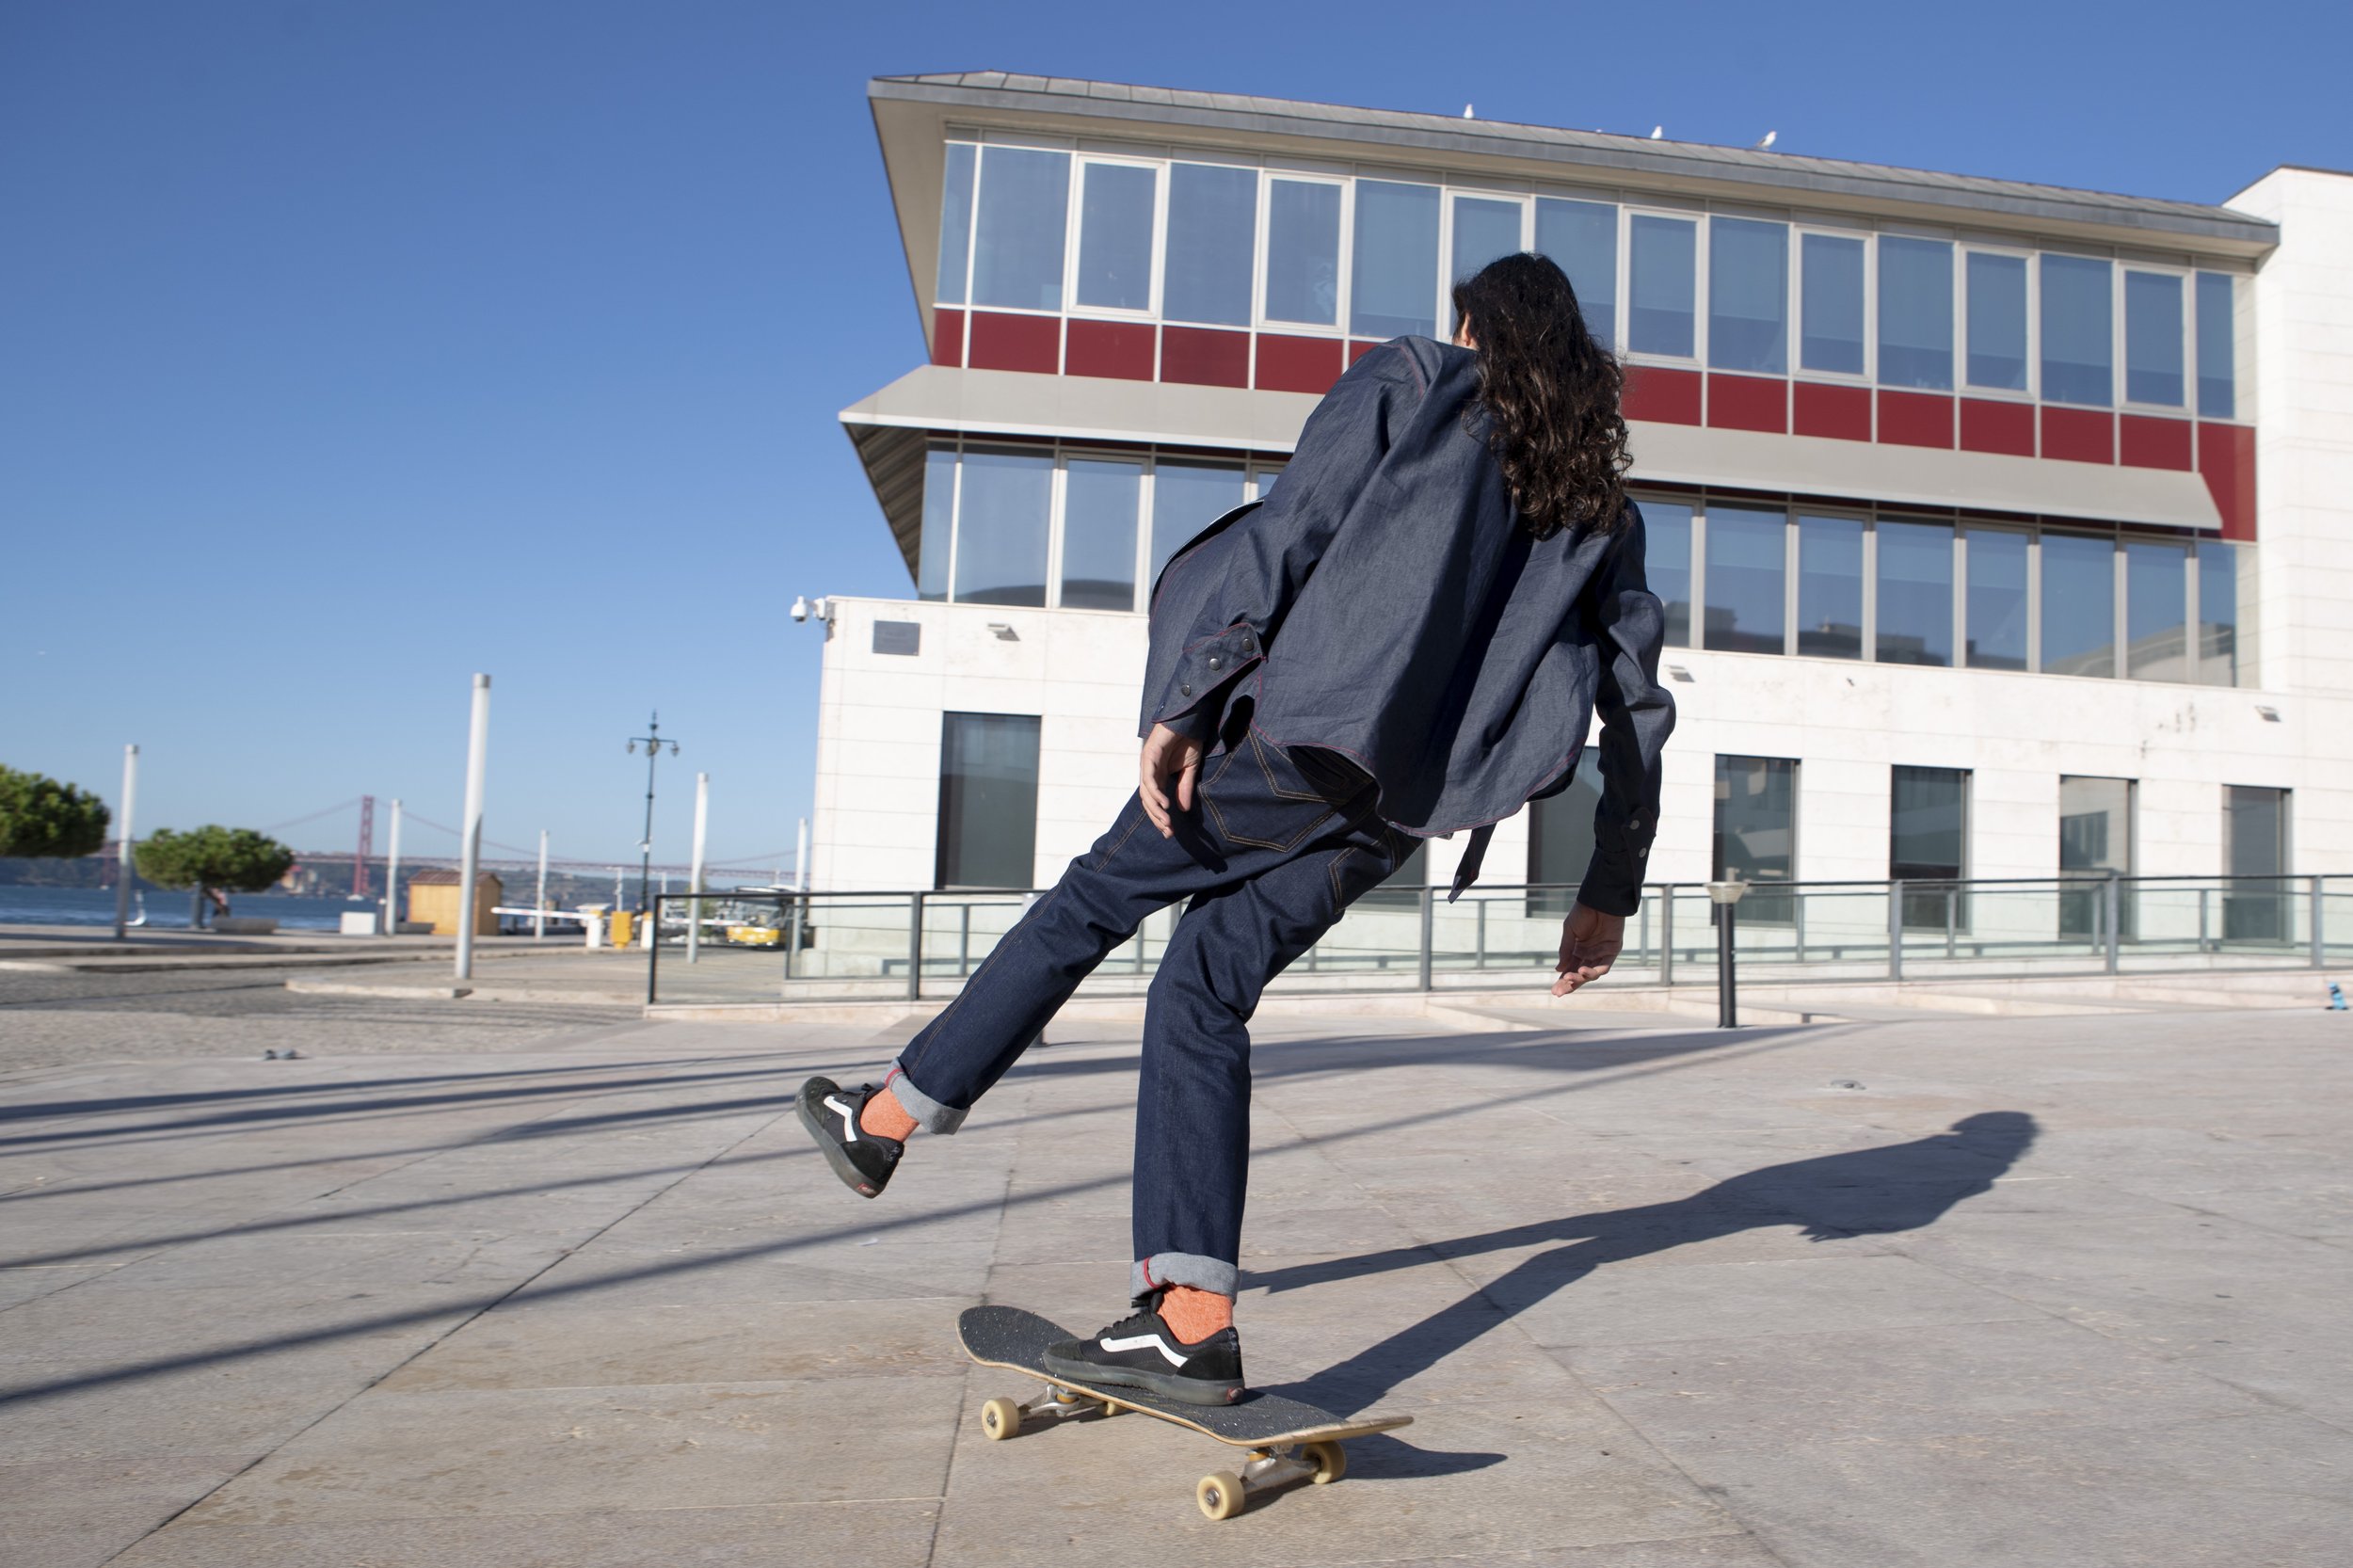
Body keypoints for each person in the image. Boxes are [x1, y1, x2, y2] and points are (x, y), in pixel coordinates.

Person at [799, 251, 1673, 1406]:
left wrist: (1188, 700)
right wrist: (1609, 884)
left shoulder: (1415, 381)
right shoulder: (1597, 508)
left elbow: (1290, 532)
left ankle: (885, 1117)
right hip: (1394, 813)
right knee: (1201, 986)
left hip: (1291, 748)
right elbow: (1635, 706)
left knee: (1092, 898)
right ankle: (1188, 1323)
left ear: (1475, 326)